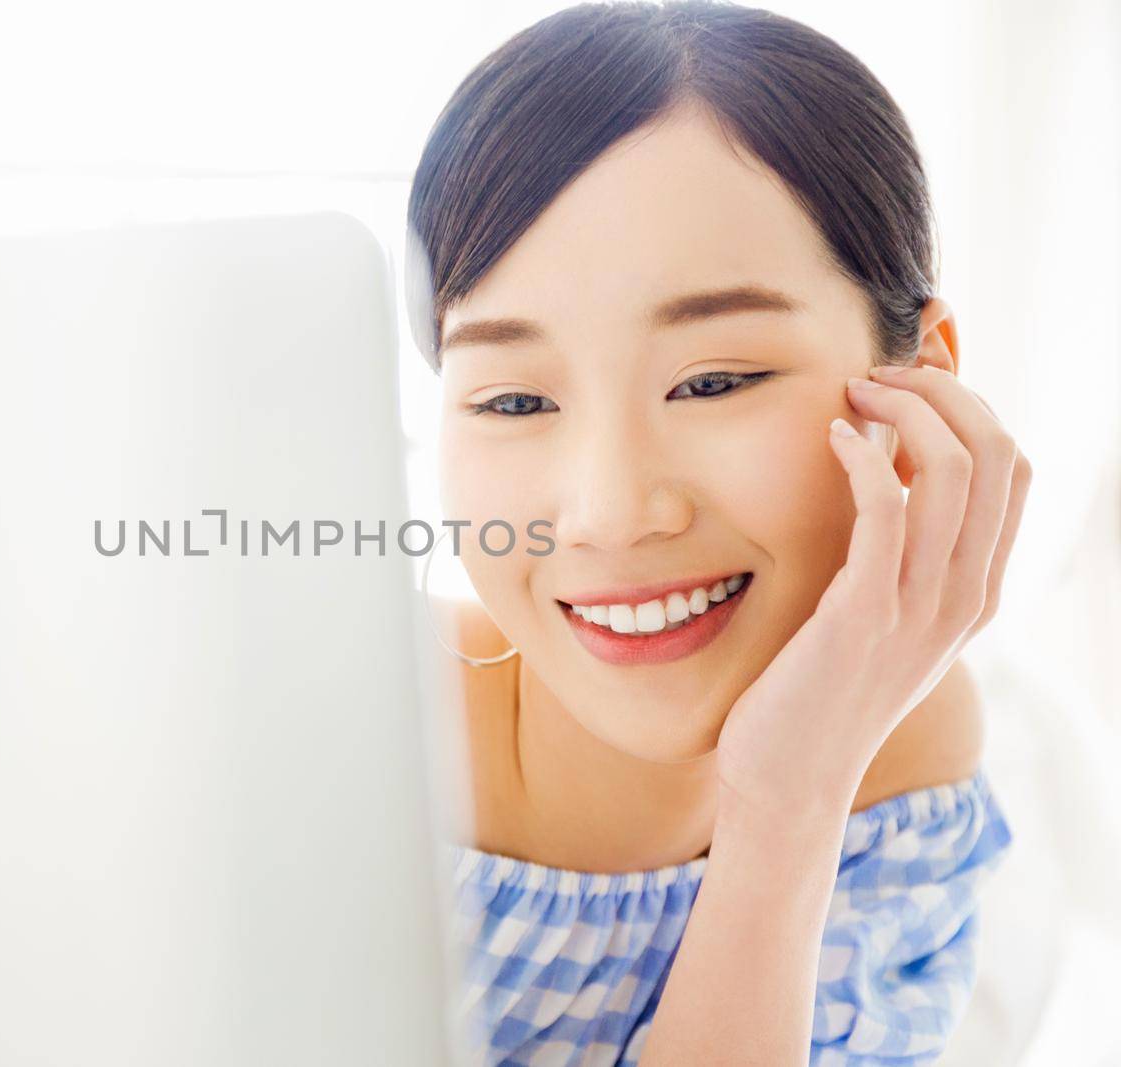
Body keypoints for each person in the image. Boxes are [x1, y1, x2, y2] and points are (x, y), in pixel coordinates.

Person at [403, 2, 1034, 1063]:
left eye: (714, 380)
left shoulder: (902, 765)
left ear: (919, 378)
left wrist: (785, 806)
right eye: (512, 402)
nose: (607, 511)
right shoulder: (355, 728)